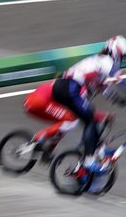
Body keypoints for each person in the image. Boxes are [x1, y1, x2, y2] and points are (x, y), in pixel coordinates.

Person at [24, 35, 126, 173]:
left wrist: (120, 101)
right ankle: (88, 160)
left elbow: (106, 90)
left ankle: (91, 151)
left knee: (87, 119)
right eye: (123, 55)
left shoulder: (99, 62)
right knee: (88, 120)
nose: (122, 59)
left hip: (67, 87)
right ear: (116, 51)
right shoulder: (106, 61)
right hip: (70, 88)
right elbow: (119, 80)